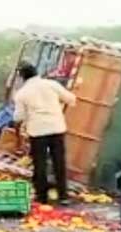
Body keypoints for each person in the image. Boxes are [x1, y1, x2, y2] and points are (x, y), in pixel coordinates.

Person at [13, 62, 76, 205]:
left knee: (39, 164)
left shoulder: (22, 93)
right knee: (59, 162)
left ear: (22, 77)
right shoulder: (51, 85)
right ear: (36, 72)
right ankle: (63, 196)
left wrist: (18, 137)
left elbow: (18, 118)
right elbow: (71, 99)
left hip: (37, 131)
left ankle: (42, 196)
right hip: (57, 127)